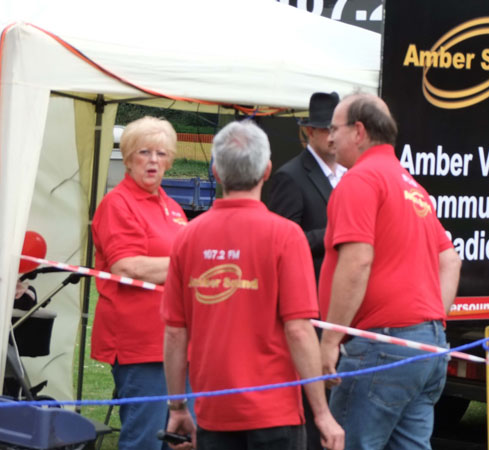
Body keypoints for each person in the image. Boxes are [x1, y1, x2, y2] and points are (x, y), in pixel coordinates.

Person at [161, 120, 344, 450]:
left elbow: (175, 332)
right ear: (267, 170)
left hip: (214, 411)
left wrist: (176, 407)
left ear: (215, 172)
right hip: (275, 416)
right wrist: (322, 413)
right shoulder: (286, 236)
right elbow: (299, 330)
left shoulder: (187, 237)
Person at [319, 93, 462, 450]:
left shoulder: (359, 181)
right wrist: (430, 322)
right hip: (425, 348)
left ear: (359, 131)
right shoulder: (412, 186)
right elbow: (451, 260)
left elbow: (357, 261)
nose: (329, 137)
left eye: (334, 128)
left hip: (381, 347)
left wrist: (330, 341)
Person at [90, 116, 191, 450]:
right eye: (144, 152)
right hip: (139, 343)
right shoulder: (117, 204)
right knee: (144, 439)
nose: (153, 160)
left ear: (171, 160)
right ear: (128, 158)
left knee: (176, 439)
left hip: (175, 341)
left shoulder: (173, 207)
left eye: (161, 154)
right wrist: (192, 265)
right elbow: (128, 265)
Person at [268, 92, 345, 282]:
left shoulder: (350, 172)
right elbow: (281, 243)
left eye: (338, 129)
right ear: (310, 132)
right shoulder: (290, 177)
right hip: (311, 293)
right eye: (328, 130)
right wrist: (334, 234)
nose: (334, 137)